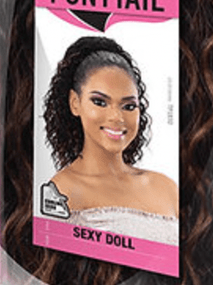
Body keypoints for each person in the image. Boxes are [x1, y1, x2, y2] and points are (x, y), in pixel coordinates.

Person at [43, 36, 178, 246]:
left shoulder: (166, 187)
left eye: (128, 106)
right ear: (75, 103)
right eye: (100, 102)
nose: (117, 117)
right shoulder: (62, 192)